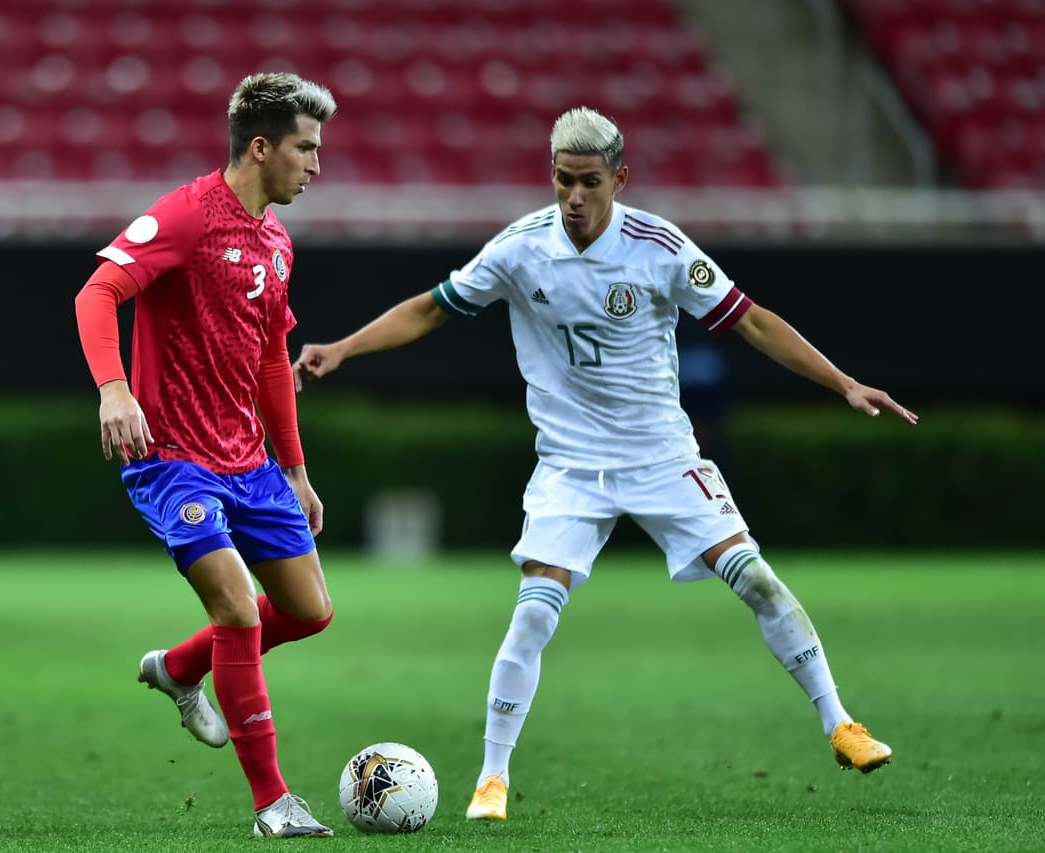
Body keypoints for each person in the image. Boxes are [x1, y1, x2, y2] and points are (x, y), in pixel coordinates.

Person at [293, 107, 917, 822]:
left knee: (757, 579)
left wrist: (843, 382)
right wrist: (343, 348)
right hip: (570, 465)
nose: (574, 197)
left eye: (589, 182)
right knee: (533, 613)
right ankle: (491, 778)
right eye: (563, 180)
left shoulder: (659, 247)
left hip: (662, 455)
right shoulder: (521, 248)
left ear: (620, 179)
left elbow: (751, 319)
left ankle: (840, 723)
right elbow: (433, 308)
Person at [74, 72, 337, 839]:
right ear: (260, 147)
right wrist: (114, 389)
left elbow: (270, 359)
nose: (316, 164)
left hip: (250, 462)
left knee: (309, 610)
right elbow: (96, 293)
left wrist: (296, 469)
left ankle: (180, 667)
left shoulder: (277, 242)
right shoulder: (187, 215)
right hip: (173, 459)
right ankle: (273, 803)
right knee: (236, 609)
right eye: (305, 147)